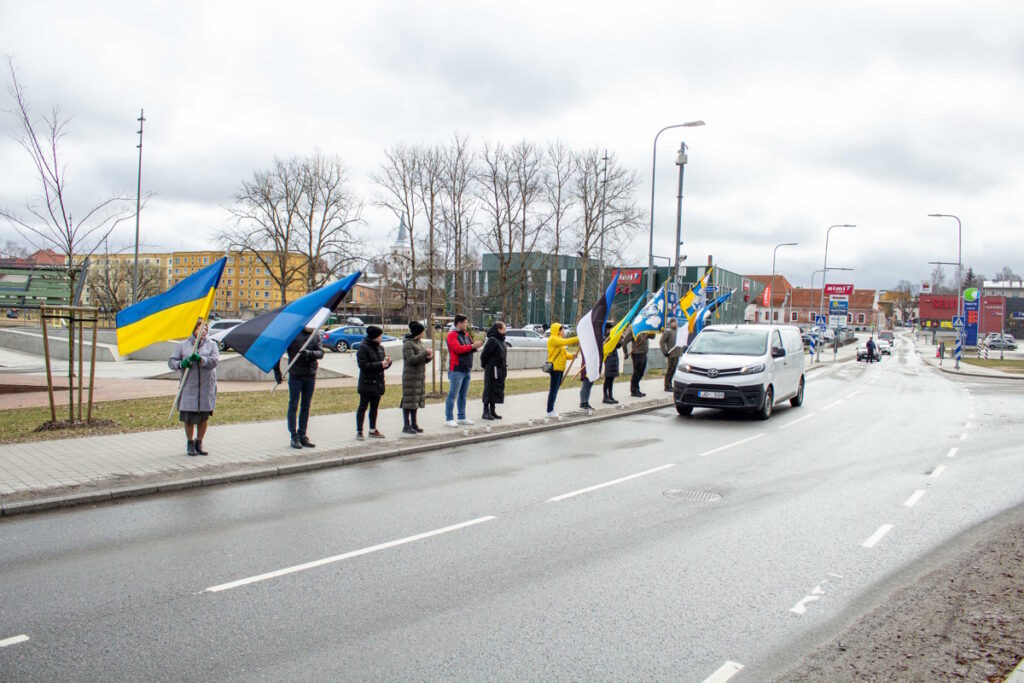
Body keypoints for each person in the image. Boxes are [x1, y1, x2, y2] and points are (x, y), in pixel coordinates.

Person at [168, 319, 219, 456]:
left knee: (203, 417)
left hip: (206, 387)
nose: (203, 331)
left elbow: (215, 361)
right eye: (200, 328)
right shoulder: (183, 345)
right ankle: (190, 443)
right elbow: (172, 362)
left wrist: (202, 360)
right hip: (189, 387)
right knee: (189, 417)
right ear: (193, 329)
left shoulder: (212, 345)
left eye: (205, 329)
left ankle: (199, 442)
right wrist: (182, 364)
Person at [273, 324, 324, 449]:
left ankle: (302, 434)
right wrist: (277, 371)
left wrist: (310, 353)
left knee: (306, 405)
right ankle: (294, 436)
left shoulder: (315, 335)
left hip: (310, 375)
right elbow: (278, 352)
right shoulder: (293, 334)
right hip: (296, 375)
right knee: (293, 405)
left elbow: (321, 353)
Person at [445, 314, 482, 428]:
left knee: (463, 395)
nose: (467, 324)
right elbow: (458, 349)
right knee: (452, 395)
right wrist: (472, 346)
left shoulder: (466, 334)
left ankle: (461, 417)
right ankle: (449, 418)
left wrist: (476, 346)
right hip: (456, 369)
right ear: (459, 323)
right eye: (465, 322)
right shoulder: (451, 335)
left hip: (466, 369)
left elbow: (469, 348)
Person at [356, 325, 392, 439]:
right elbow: (363, 365)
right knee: (363, 406)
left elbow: (382, 366)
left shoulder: (380, 348)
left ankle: (372, 429)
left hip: (378, 383)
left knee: (374, 407)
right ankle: (359, 431)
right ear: (374, 336)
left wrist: (387, 363)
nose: (381, 338)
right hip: (367, 383)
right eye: (380, 336)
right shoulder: (363, 347)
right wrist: (380, 364)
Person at [401, 320, 432, 434]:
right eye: (423, 331)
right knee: (408, 401)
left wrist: (428, 358)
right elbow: (411, 360)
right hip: (410, 377)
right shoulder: (408, 344)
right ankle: (406, 425)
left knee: (415, 401)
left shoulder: (418, 342)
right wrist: (424, 353)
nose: (424, 333)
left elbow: (420, 359)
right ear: (418, 332)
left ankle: (414, 424)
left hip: (419, 376)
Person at [545, 322, 579, 418]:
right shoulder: (553, 339)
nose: (564, 331)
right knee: (553, 390)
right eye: (562, 330)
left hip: (560, 368)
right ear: (558, 331)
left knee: (555, 389)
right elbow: (567, 341)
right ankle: (550, 410)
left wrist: (572, 356)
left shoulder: (559, 341)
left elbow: (565, 355)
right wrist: (579, 337)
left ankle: (551, 409)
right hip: (555, 368)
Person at [480, 321, 508, 420]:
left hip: (500, 369)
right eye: (504, 328)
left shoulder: (501, 340)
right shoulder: (492, 340)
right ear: (498, 329)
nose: (505, 330)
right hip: (492, 369)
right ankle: (485, 411)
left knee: (496, 389)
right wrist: (487, 366)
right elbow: (484, 355)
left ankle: (492, 410)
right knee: (489, 389)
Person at [622, 325, 650, 397]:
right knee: (636, 372)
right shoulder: (634, 330)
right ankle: (634, 390)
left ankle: (637, 388)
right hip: (637, 354)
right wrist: (625, 352)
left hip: (644, 353)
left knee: (641, 373)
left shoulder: (645, 328)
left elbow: (652, 337)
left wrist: (652, 331)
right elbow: (624, 341)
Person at [660, 318, 682, 392]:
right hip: (671, 353)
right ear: (671, 323)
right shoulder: (668, 331)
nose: (676, 324)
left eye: (676, 322)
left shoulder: (677, 331)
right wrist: (664, 351)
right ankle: (667, 386)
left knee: (673, 370)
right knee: (670, 370)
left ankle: (670, 385)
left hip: (677, 353)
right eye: (674, 322)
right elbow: (661, 342)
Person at [602, 321, 620, 405]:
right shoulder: (604, 337)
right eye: (610, 329)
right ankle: (605, 396)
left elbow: (618, 346)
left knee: (611, 379)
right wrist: (610, 337)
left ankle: (610, 395)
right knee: (608, 378)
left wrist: (619, 338)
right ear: (607, 329)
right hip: (608, 358)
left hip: (614, 358)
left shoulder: (612, 336)